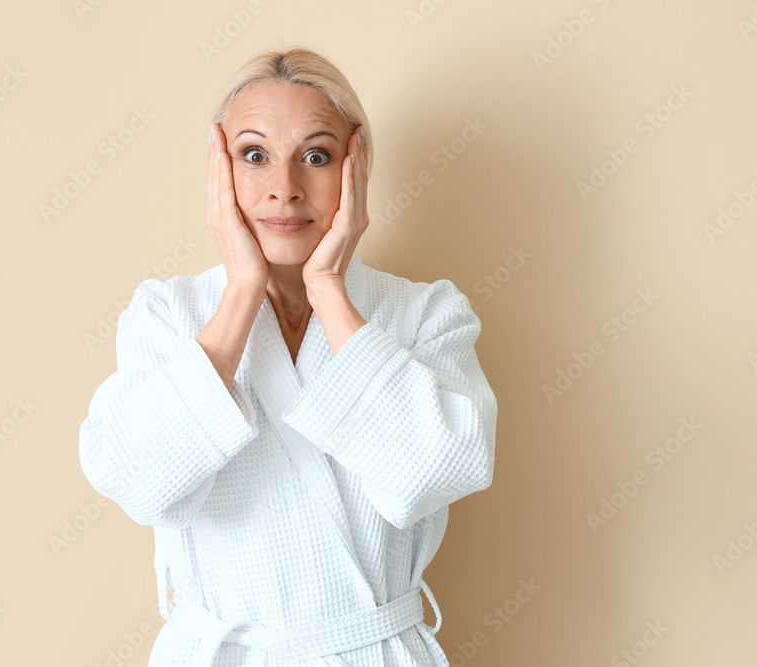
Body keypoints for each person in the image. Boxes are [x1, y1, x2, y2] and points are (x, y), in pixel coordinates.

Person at [79, 46, 498, 667]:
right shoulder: (168, 314)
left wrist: (328, 288)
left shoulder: (426, 313)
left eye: (316, 156)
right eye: (254, 156)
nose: (284, 189)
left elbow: (440, 470)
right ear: (220, 170)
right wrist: (242, 291)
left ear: (356, 167)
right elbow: (139, 484)